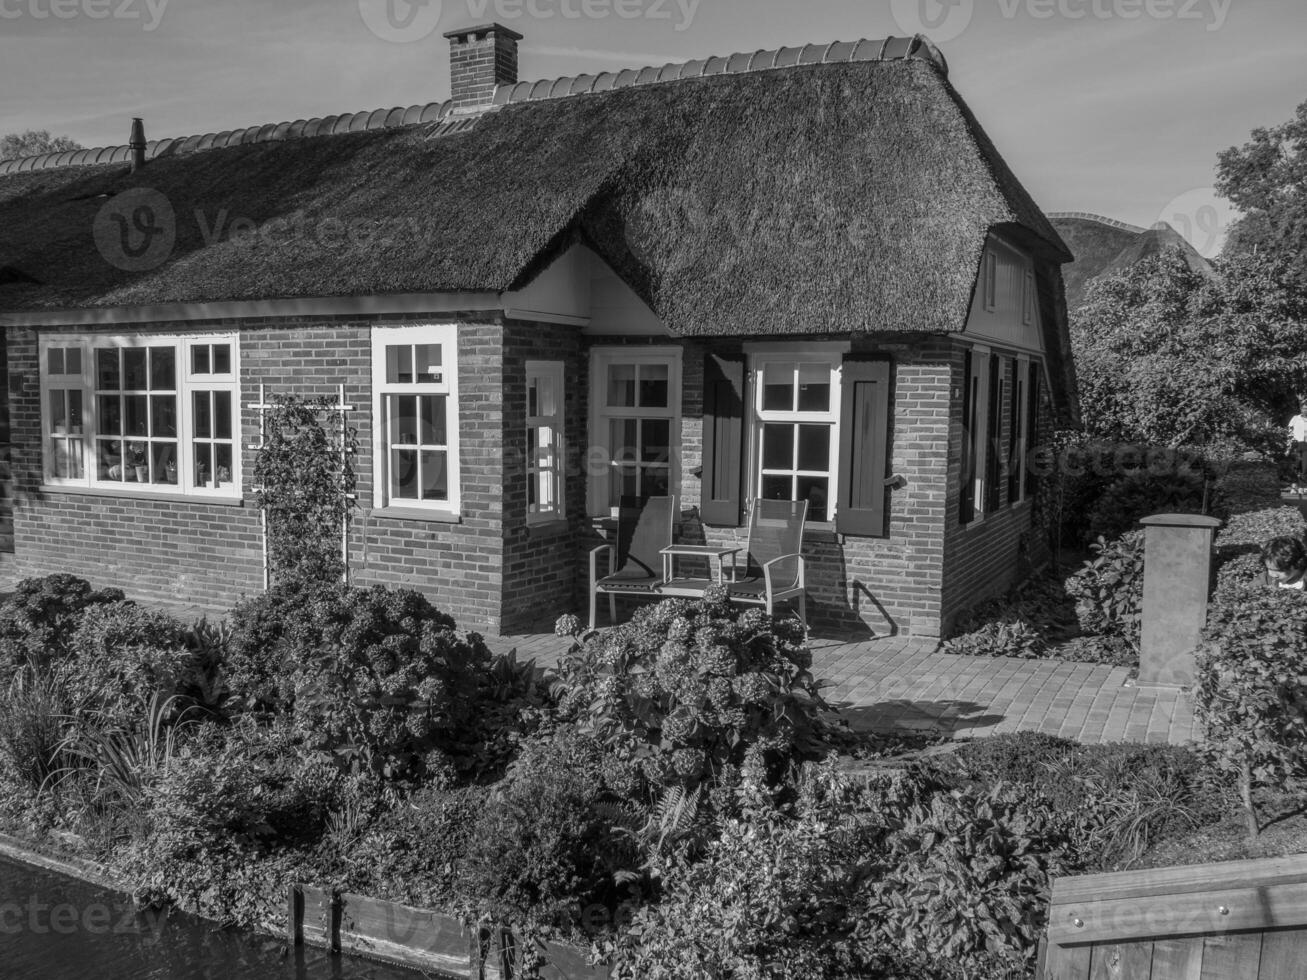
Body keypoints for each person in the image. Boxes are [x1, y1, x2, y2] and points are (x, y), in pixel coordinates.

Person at [1289, 400, 1307, 491]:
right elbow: (1289, 431)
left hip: (1306, 444)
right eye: (1304, 408)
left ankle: (1303, 486)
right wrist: (1290, 443)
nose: (1305, 410)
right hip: (1296, 443)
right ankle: (1294, 484)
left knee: (1305, 466)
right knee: (1296, 465)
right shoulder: (1295, 418)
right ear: (1301, 409)